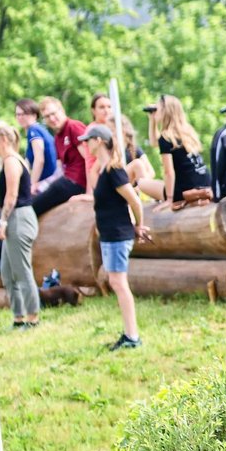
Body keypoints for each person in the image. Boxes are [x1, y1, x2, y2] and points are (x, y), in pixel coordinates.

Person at [0, 98, 59, 276]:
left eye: (24, 114)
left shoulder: (34, 130)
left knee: (0, 213)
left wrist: (33, 184)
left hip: (45, 181)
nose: (20, 118)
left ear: (34, 114)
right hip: (48, 179)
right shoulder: (39, 130)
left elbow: (40, 159)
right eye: (18, 114)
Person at [81, 123, 150, 350]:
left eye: (88, 140)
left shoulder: (114, 170)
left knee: (119, 283)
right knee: (116, 282)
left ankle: (132, 336)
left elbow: (135, 201)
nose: (85, 144)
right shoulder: (104, 169)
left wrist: (139, 226)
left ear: (99, 141)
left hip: (118, 235)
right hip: (110, 235)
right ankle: (129, 333)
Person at [0, 121, 40, 329]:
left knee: (22, 272)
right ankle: (18, 318)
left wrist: (3, 221)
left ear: (4, 140)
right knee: (7, 274)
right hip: (14, 218)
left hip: (19, 218)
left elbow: (12, 195)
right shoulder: (7, 161)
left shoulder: (11, 161)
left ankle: (33, 318)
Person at [136, 94, 211, 203]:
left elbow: (168, 172)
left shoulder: (166, 137)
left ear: (165, 111)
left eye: (157, 109)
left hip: (185, 190)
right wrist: (152, 120)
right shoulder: (187, 132)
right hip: (205, 183)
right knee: (159, 183)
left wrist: (169, 199)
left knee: (141, 183)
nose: (155, 112)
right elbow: (154, 142)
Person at [31, 97, 88, 215]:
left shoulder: (73, 127)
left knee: (32, 207)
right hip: (67, 180)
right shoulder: (57, 137)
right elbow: (58, 168)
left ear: (62, 110)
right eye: (47, 116)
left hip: (77, 182)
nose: (52, 119)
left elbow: (90, 158)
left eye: (53, 113)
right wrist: (39, 185)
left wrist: (90, 192)